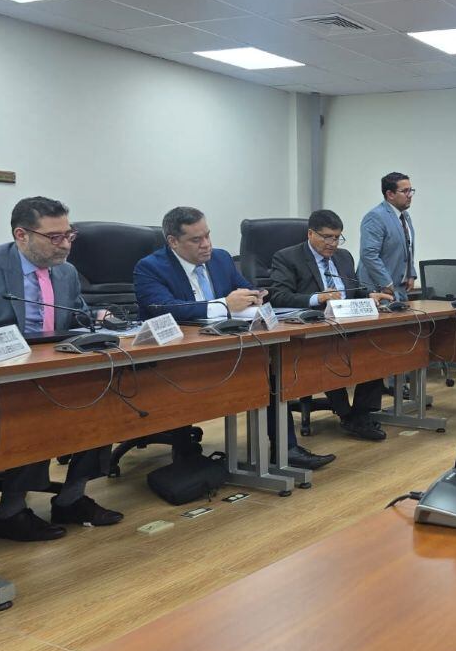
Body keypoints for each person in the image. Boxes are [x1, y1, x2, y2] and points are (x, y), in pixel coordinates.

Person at [0, 197, 122, 541]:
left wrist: (98, 319)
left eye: (69, 235)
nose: (65, 245)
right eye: (54, 237)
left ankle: (71, 498)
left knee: (105, 396)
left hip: (52, 371)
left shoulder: (65, 272)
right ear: (21, 235)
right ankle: (10, 512)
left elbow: (76, 317)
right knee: (34, 408)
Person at [133, 206, 335, 470]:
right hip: (177, 357)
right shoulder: (150, 267)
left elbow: (247, 289)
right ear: (173, 241)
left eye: (208, 235)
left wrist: (254, 296)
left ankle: (286, 450)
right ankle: (185, 455)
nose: (206, 244)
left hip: (227, 345)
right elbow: (164, 308)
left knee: (270, 373)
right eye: (196, 239)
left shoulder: (220, 258)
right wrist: (225, 305)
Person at [269, 210, 392, 441]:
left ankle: (362, 414)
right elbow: (278, 296)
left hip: (348, 323)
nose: (333, 244)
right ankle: (347, 415)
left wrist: (369, 295)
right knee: (328, 354)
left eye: (337, 237)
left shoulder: (344, 257)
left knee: (377, 348)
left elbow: (353, 290)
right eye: (327, 237)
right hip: (315, 331)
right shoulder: (287, 257)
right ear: (310, 234)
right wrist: (318, 298)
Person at [359, 172, 417, 301]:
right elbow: (369, 255)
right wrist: (386, 283)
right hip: (379, 290)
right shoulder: (375, 217)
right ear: (390, 194)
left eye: (411, 190)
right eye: (405, 191)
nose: (410, 195)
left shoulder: (405, 216)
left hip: (400, 289)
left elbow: (407, 248)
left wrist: (411, 274)